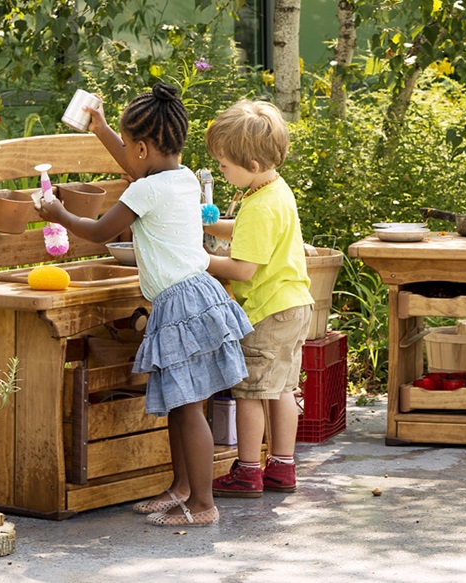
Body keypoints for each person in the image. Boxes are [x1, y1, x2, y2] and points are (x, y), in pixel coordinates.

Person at [36, 82, 252, 527]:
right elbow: (137, 168)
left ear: (141, 147)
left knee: (189, 407)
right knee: (181, 402)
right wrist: (100, 128)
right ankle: (182, 489)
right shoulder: (182, 176)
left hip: (179, 305)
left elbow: (98, 232)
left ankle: (203, 506)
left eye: (129, 146)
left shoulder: (145, 191)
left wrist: (57, 214)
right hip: (200, 294)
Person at [202, 99, 315, 498]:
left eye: (224, 165)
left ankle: (248, 470)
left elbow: (243, 269)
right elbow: (248, 231)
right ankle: (282, 467)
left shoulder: (260, 205)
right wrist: (213, 223)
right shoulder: (273, 190)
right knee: (282, 388)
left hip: (267, 312)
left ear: (250, 164)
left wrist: (202, 259)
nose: (220, 171)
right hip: (294, 305)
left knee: (249, 392)